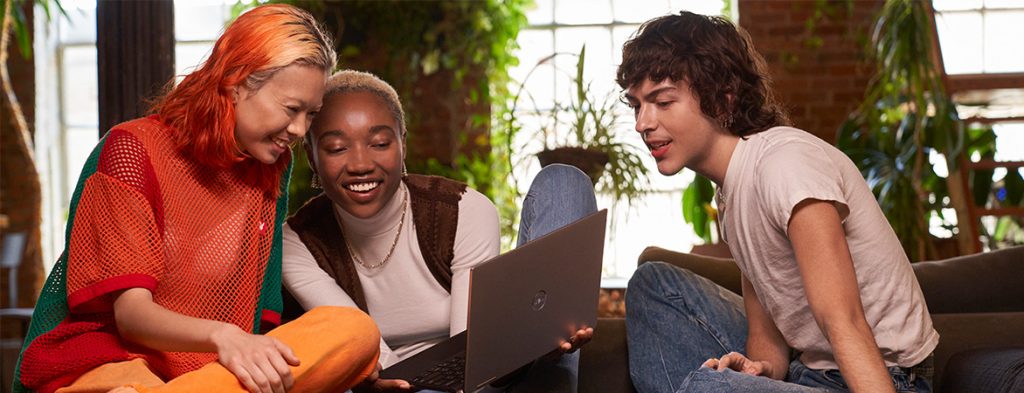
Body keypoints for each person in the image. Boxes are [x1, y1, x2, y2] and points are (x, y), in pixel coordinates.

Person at [14, 5, 380, 393]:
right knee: (124, 385)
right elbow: (132, 317)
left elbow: (260, 316)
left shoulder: (271, 164)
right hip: (118, 360)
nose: (298, 129)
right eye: (291, 109)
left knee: (354, 330)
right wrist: (225, 336)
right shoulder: (132, 150)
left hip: (210, 372)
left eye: (311, 114)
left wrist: (328, 360)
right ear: (236, 83)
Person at [617, 11, 938, 393]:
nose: (642, 123)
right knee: (653, 282)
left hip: (886, 378)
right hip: (810, 371)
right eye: (637, 105)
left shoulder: (785, 165)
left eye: (663, 102)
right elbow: (769, 337)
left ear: (722, 99)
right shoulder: (732, 189)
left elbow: (844, 319)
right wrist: (759, 371)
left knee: (709, 387)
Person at [282, 70, 596, 393]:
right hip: (392, 385)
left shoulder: (461, 210)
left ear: (403, 143)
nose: (360, 163)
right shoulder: (297, 243)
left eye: (379, 143)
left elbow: (472, 363)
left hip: (481, 380)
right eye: (336, 148)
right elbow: (369, 352)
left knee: (564, 184)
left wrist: (535, 339)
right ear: (312, 156)